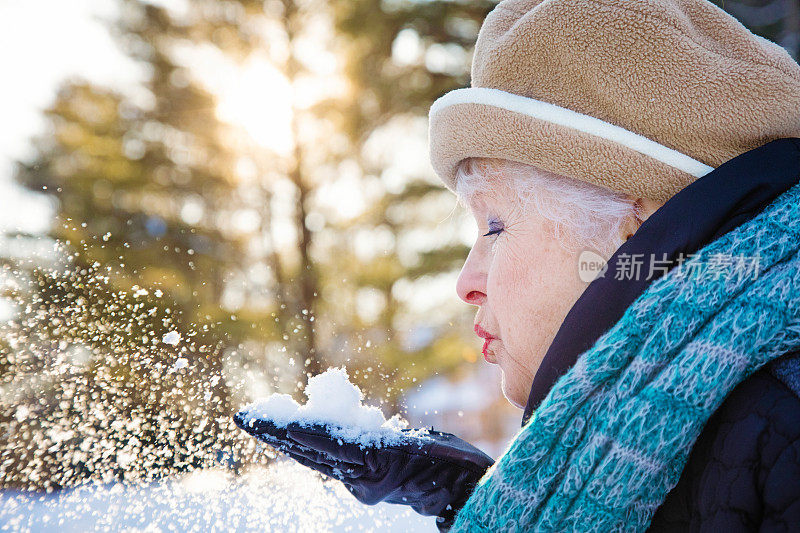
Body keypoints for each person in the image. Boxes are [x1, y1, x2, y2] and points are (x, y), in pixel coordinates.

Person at [235, 0, 800, 530]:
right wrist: (487, 502)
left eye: (496, 226)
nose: (465, 284)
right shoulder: (704, 418)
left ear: (636, 223)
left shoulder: (780, 427)